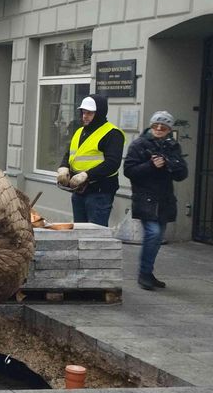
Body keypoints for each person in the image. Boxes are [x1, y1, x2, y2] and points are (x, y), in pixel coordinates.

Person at [123, 110, 188, 291]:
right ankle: (144, 274)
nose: (159, 129)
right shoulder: (139, 145)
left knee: (158, 237)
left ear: (169, 129)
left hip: (165, 199)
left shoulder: (173, 146)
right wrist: (151, 165)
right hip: (145, 198)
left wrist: (169, 164)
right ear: (151, 126)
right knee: (152, 233)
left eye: (164, 126)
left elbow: (182, 173)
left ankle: (148, 272)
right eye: (156, 125)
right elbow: (129, 171)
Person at [56, 94, 125, 226]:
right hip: (79, 190)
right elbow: (70, 154)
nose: (85, 116)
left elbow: (112, 163)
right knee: (79, 231)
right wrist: (63, 167)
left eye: (89, 113)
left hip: (99, 192)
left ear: (99, 113)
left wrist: (86, 175)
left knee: (95, 234)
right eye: (83, 112)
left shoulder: (112, 133)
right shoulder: (80, 131)